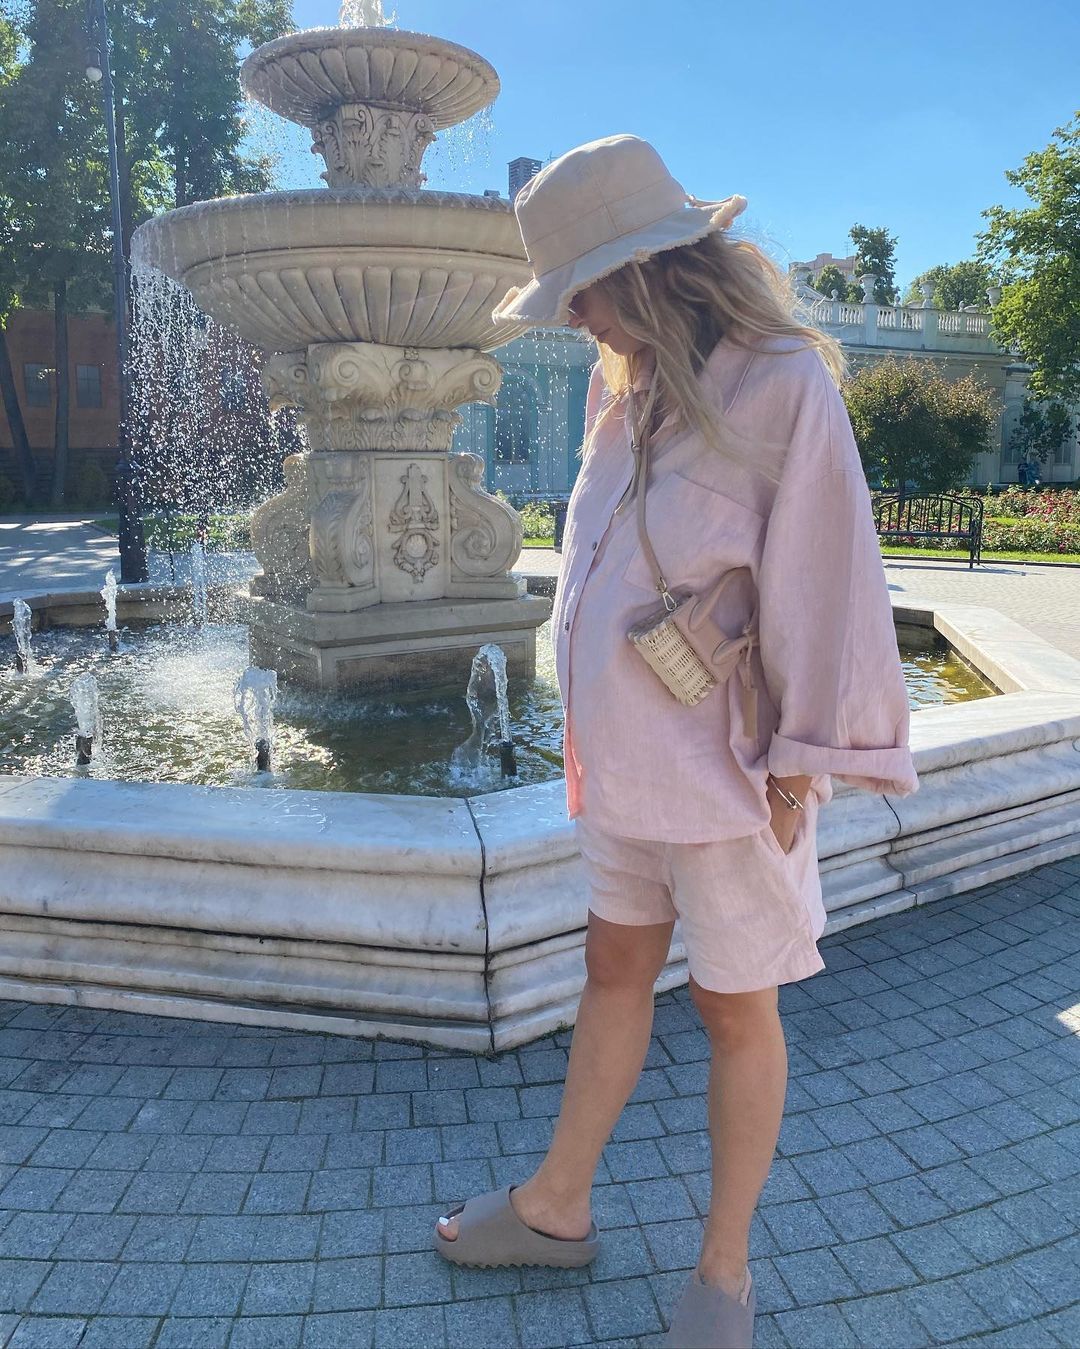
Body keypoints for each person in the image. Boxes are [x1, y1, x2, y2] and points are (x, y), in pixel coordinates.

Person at [432, 134, 919, 1349]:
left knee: (733, 1007)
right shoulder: (625, 391)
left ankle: (725, 1270)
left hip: (730, 774)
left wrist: (802, 760)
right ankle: (558, 1205)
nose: (573, 316)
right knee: (613, 969)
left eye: (580, 289)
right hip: (623, 765)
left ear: (640, 268)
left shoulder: (781, 380)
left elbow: (828, 576)